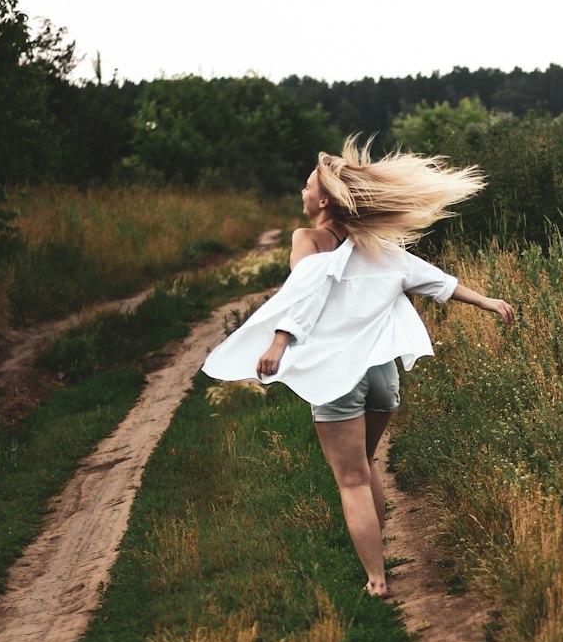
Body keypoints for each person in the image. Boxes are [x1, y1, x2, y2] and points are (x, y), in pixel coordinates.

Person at [202, 137, 514, 597]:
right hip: (382, 375)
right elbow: (431, 279)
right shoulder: (375, 244)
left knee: (350, 480)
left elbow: (306, 291)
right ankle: (380, 560)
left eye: (307, 186)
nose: (301, 191)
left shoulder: (305, 240)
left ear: (324, 199)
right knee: (365, 468)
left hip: (338, 377)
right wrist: (488, 301)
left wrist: (279, 342)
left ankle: (377, 580)